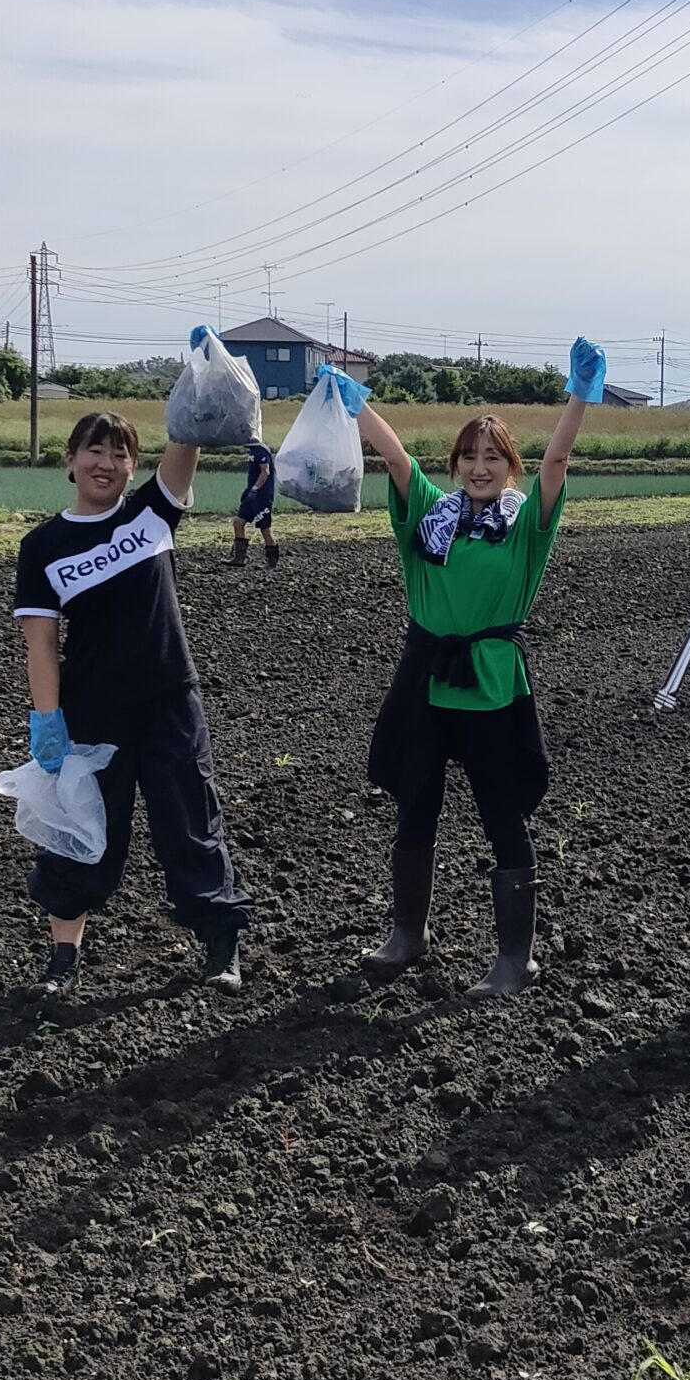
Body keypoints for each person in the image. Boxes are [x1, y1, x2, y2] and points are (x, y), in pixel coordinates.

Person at [339, 337, 604, 998]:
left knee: (502, 816)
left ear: (510, 467)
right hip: (425, 683)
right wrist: (356, 402)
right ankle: (407, 936)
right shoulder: (431, 515)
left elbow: (560, 460)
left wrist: (578, 395)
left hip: (489, 688)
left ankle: (514, 960)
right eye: (469, 456)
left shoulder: (525, 528)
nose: (480, 467)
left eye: (494, 458)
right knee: (415, 810)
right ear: (454, 463)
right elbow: (395, 457)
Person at [12, 401, 250, 994]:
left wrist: (200, 384)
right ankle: (63, 963)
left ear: (132, 466)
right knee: (82, 830)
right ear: (70, 460)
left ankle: (221, 948)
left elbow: (186, 445)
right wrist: (48, 722)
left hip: (169, 700)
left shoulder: (151, 516)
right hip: (94, 711)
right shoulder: (43, 546)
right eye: (94, 449)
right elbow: (41, 645)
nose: (107, 462)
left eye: (120, 453)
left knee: (191, 823)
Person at [232, 438, 280, 569]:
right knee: (238, 522)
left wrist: (255, 488)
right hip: (251, 495)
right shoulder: (252, 451)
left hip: (262, 496)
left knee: (265, 528)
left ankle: (272, 562)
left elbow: (265, 471)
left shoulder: (260, 451)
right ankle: (239, 558)